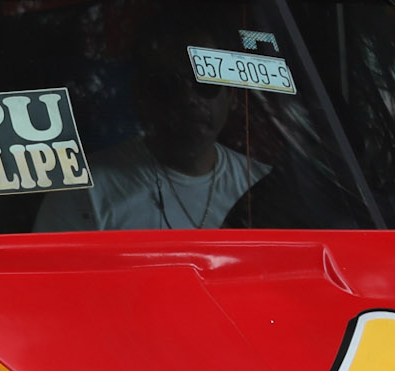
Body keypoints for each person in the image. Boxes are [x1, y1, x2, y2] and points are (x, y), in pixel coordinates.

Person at [39, 39, 274, 231]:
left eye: (205, 83)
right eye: (166, 85)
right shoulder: (83, 191)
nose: (188, 99)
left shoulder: (265, 186)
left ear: (232, 96)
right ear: (139, 96)